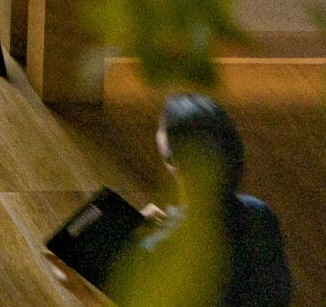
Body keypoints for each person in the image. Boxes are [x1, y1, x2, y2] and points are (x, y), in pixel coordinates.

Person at [111, 95, 294, 306]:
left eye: (161, 127)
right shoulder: (259, 215)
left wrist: (76, 287)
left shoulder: (156, 246)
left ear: (171, 157)